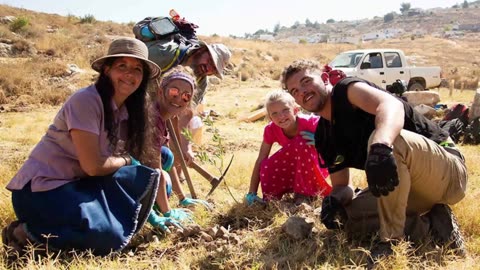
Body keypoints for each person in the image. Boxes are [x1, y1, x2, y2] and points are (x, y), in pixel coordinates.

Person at [2, 37, 181, 257]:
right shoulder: (86, 101)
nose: (129, 75)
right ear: (106, 70)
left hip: (82, 185)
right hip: (45, 191)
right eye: (121, 66)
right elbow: (93, 167)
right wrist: (126, 161)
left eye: (137, 69)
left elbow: (151, 161)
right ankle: (27, 233)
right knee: (110, 237)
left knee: (159, 164)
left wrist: (161, 210)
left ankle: (104, 214)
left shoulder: (131, 110)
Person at [281, 59, 467, 260]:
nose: (302, 91)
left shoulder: (347, 91)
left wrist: (381, 145)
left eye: (306, 82)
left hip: (447, 173)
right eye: (294, 91)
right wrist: (334, 201)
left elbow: (391, 105)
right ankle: (434, 226)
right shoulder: (324, 137)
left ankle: (390, 243)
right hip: (406, 188)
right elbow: (343, 186)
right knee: (347, 218)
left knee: (387, 139)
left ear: (324, 78)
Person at [140, 32, 232, 178]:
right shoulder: (165, 54)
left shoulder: (201, 81)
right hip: (140, 101)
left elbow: (186, 112)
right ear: (201, 50)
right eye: (209, 61)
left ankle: (175, 173)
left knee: (194, 123)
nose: (208, 69)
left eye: (214, 69)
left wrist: (185, 147)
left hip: (165, 110)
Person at [246, 90, 331, 206]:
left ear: (295, 110)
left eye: (285, 110)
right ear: (270, 118)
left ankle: (304, 194)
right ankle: (272, 198)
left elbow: (339, 142)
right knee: (266, 165)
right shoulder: (270, 129)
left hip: (318, 166)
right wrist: (252, 192)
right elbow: (261, 158)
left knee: (302, 142)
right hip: (296, 167)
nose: (281, 116)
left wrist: (322, 142)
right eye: (274, 113)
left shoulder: (312, 123)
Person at [152, 68, 212, 214]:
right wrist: (168, 212)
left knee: (167, 156)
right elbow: (155, 168)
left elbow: (168, 161)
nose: (179, 99)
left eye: (186, 96)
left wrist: (182, 198)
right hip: (129, 176)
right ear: (161, 91)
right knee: (164, 177)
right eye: (174, 92)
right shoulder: (151, 118)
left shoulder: (166, 117)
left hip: (148, 174)